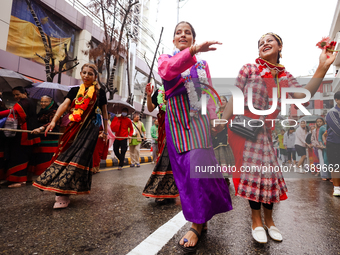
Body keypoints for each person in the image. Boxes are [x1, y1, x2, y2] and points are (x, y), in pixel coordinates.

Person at [222, 32, 336, 243]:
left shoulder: (283, 76)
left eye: (269, 40)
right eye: (260, 42)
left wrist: (323, 67)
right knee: (253, 177)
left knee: (268, 177)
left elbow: (304, 96)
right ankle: (256, 220)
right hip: (243, 130)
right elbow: (234, 97)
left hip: (264, 132)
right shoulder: (249, 68)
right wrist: (220, 123)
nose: (264, 43)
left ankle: (270, 220)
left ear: (280, 46)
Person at [159, 21, 232, 252]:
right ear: (173, 40)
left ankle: (196, 224)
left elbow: (207, 93)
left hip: (199, 120)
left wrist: (214, 120)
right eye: (179, 32)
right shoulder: (165, 58)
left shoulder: (202, 64)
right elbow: (168, 71)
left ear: (193, 37)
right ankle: (202, 218)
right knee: (185, 169)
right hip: (177, 120)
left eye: (187, 33)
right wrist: (193, 51)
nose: (183, 35)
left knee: (197, 167)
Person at [32, 63, 108, 209]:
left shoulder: (100, 93)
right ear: (80, 74)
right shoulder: (74, 90)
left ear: (95, 77)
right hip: (73, 128)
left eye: (90, 74)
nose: (86, 76)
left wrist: (106, 130)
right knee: (65, 155)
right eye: (84, 72)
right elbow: (64, 105)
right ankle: (61, 191)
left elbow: (104, 113)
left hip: (90, 129)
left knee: (78, 158)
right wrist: (53, 121)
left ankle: (63, 194)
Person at [142, 84, 179, 204]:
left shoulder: (181, 87)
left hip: (178, 127)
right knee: (164, 155)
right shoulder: (159, 91)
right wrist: (148, 96)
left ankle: (171, 190)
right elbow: (151, 108)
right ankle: (162, 190)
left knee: (174, 158)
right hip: (164, 128)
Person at [0, 86, 40, 188]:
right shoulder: (28, 102)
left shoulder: (25, 102)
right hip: (24, 134)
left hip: (25, 135)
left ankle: (20, 180)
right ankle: (13, 179)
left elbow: (11, 112)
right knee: (17, 156)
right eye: (14, 95)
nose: (15, 97)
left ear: (24, 94)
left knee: (19, 157)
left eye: (17, 94)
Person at [30, 95, 60, 176]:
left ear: (51, 102)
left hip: (50, 138)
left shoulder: (54, 112)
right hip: (41, 138)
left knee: (47, 158)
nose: (42, 103)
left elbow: (51, 123)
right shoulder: (42, 111)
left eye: (45, 102)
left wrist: (40, 128)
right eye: (41, 101)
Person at [212, 95, 235, 185]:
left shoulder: (229, 113)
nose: (221, 102)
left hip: (226, 138)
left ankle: (226, 178)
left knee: (226, 158)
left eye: (224, 100)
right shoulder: (215, 113)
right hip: (216, 139)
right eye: (220, 100)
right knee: (218, 158)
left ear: (227, 102)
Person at [326, 91, 340, 196]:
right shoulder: (332, 112)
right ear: (337, 100)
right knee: (335, 165)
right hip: (334, 143)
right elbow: (337, 128)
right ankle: (336, 187)